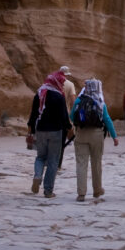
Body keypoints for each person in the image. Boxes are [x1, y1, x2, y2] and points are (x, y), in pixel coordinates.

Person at [71, 77, 118, 202]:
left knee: (81, 163)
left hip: (81, 133)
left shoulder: (79, 100)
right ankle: (97, 190)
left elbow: (72, 116)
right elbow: (107, 119)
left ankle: (81, 193)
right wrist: (114, 136)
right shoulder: (100, 102)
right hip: (97, 134)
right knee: (96, 162)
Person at [27, 69, 73, 197]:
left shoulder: (39, 94)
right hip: (56, 131)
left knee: (40, 157)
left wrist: (30, 129)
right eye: (61, 82)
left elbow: (33, 113)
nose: (62, 85)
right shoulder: (59, 96)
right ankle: (48, 190)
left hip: (40, 130)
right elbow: (64, 116)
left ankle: (37, 176)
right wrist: (69, 128)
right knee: (53, 160)